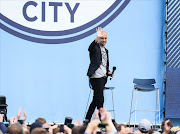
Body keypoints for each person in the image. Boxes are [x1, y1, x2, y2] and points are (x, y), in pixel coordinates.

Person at [85, 27, 114, 121]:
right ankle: (102, 121)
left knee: (95, 100)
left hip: (103, 78)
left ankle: (87, 119)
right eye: (102, 38)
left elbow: (103, 64)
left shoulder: (106, 50)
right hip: (95, 77)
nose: (104, 40)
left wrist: (108, 72)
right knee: (100, 99)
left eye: (105, 38)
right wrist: (97, 37)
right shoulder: (95, 47)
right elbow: (89, 48)